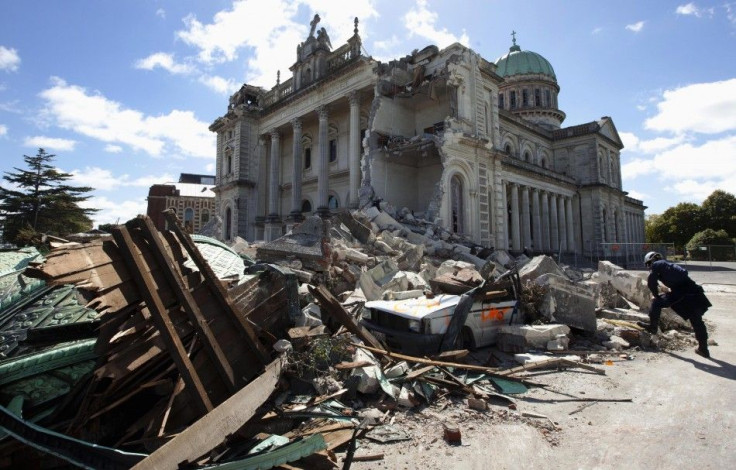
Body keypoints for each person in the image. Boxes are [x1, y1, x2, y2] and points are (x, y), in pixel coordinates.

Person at [638, 251, 712, 358]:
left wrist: (656, 295)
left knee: (656, 302)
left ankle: (653, 327)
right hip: (694, 292)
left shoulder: (657, 265)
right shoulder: (667, 266)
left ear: (651, 261)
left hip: (681, 293)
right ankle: (703, 348)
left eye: (649, 264)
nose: (649, 267)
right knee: (696, 320)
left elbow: (651, 282)